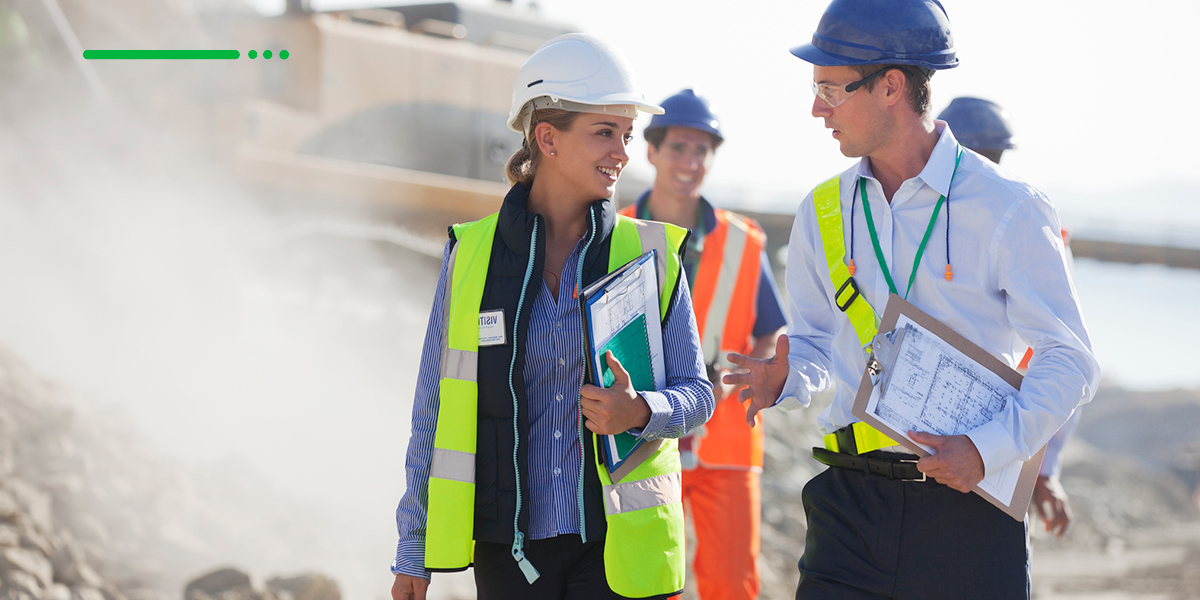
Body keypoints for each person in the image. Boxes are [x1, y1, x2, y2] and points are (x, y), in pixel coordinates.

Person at [725, 1, 1101, 598]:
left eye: (830, 87)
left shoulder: (1009, 208)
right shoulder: (821, 210)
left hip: (968, 509)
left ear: (892, 86)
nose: (816, 107)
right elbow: (819, 345)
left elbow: (1070, 360)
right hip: (846, 504)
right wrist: (789, 378)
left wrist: (986, 449)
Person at [389, 33, 715, 600]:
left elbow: (698, 394)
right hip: (510, 552)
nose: (621, 152)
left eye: (626, 135)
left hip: (618, 549)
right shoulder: (473, 255)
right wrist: (413, 549)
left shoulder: (649, 255)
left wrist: (640, 409)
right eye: (603, 132)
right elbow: (433, 409)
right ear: (548, 137)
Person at [618, 89, 787, 600]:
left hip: (727, 442)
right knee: (647, 581)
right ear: (652, 151)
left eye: (701, 151)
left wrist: (750, 373)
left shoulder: (744, 242)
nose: (690, 163)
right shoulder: (616, 231)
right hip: (641, 435)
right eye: (678, 149)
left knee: (732, 584)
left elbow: (771, 331)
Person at [938, 96, 1078, 539]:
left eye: (991, 157)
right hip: (946, 451)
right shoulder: (920, 226)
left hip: (999, 448)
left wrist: (1043, 466)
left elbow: (1061, 360)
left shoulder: (1031, 233)